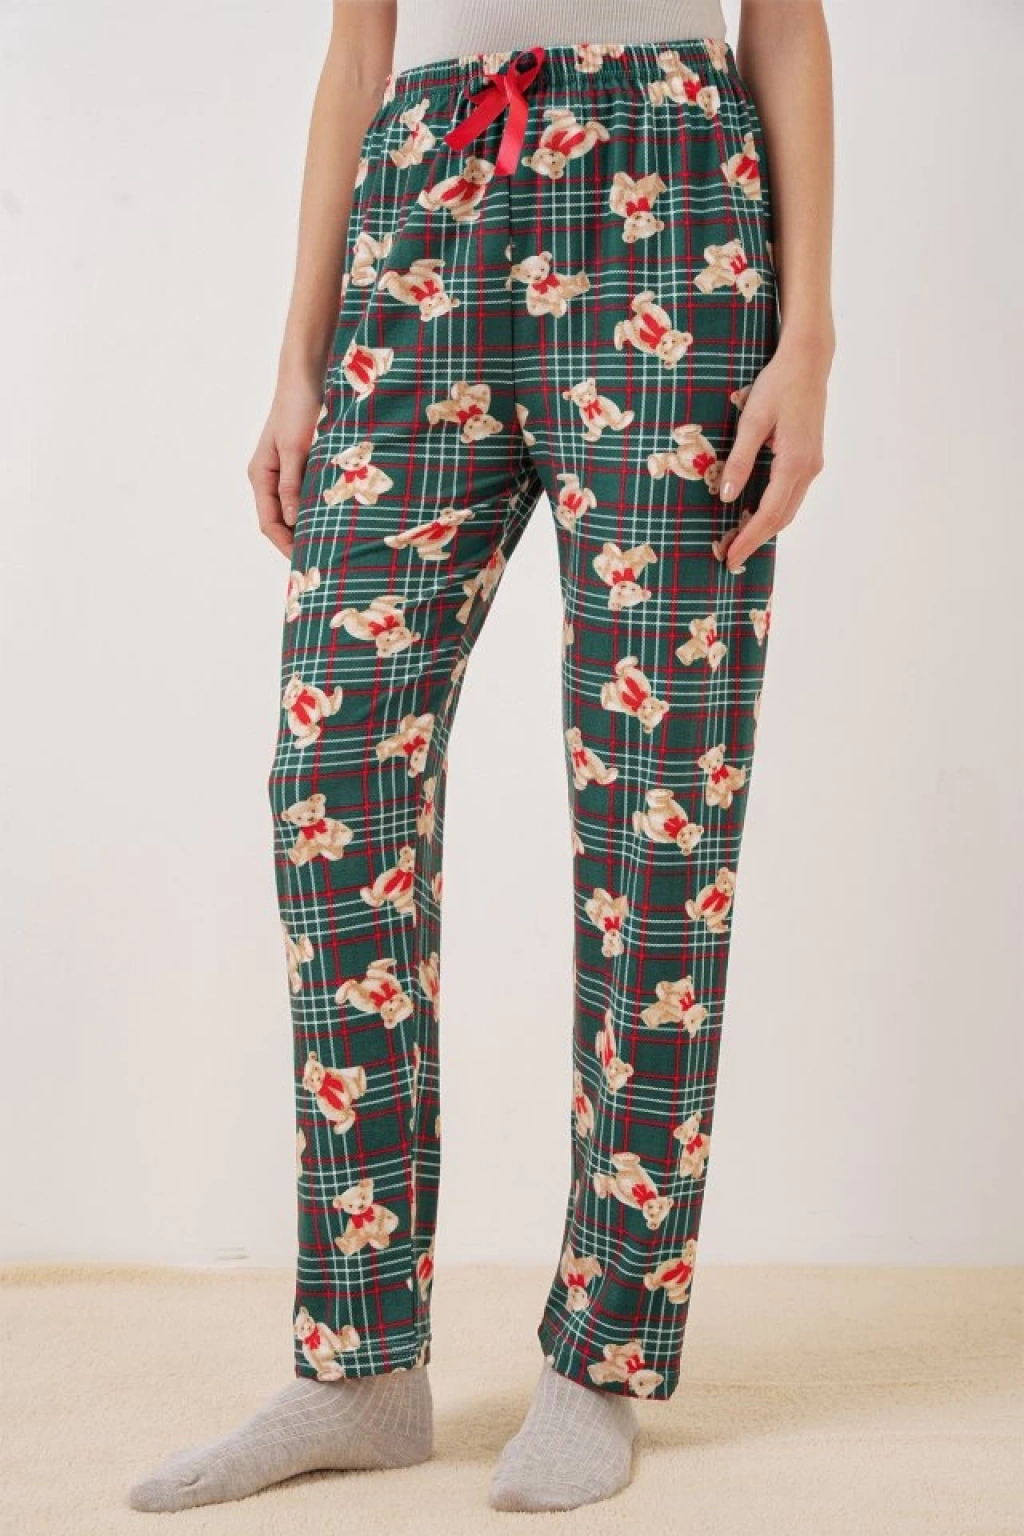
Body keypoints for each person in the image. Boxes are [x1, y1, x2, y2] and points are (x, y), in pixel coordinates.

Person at [130, 0, 833, 1515]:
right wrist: (298, 361)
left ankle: (602, 1357)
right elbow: (355, 54)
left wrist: (810, 333)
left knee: (660, 810)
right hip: (421, 213)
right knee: (334, 782)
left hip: (672, 214)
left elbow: (784, 21)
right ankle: (360, 1367)